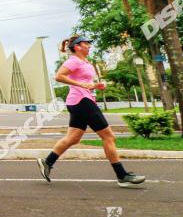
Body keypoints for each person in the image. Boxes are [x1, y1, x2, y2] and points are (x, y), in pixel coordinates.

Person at [37, 35, 146, 188]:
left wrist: (95, 86)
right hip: (82, 101)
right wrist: (82, 85)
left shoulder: (85, 62)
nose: (89, 46)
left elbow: (86, 82)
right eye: (86, 43)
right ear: (77, 47)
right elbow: (59, 76)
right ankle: (122, 175)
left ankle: (47, 162)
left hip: (80, 101)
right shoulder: (73, 60)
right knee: (108, 136)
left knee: (73, 138)